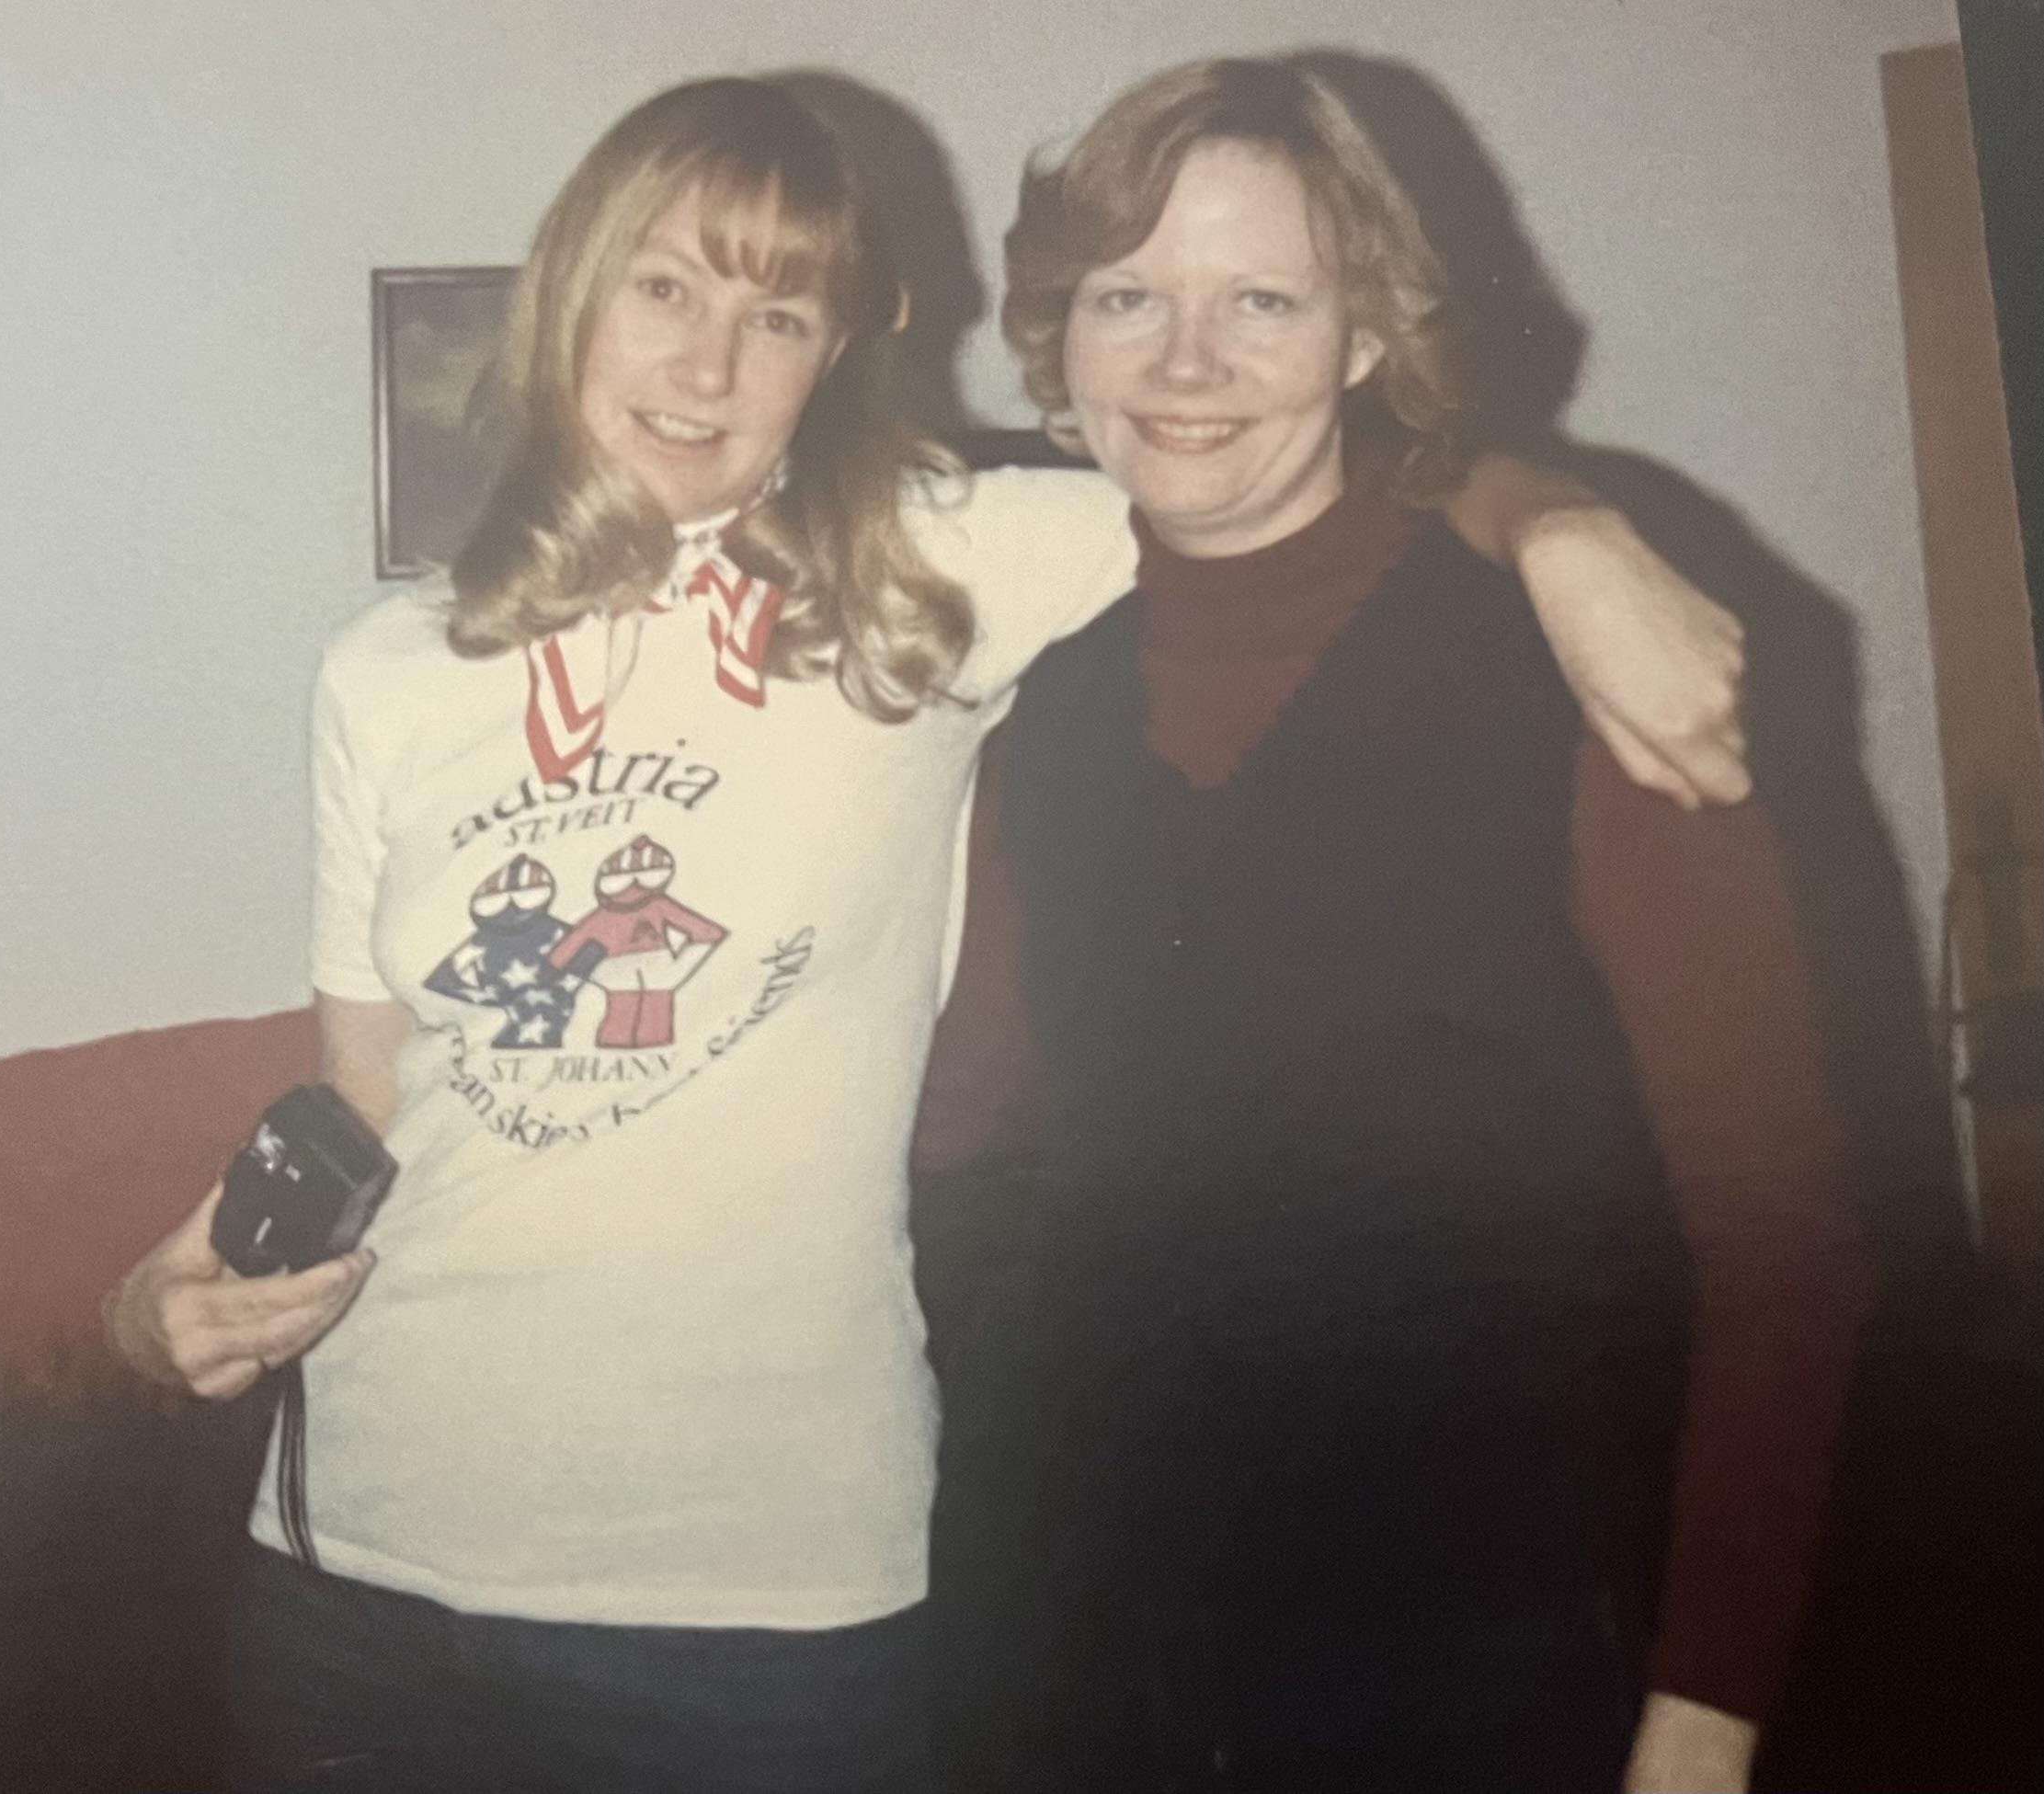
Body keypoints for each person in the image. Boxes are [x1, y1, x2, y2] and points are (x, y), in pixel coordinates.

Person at [99, 74, 1749, 1793]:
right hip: (358, 1581)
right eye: (663, 288)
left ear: (836, 353)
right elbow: (369, 1107)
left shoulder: (928, 569)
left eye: (776, 315)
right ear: (569, 289)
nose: (705, 367)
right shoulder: (385, 669)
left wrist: (1564, 529)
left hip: (773, 1603)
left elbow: (1302, 467)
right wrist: (156, 1306)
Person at [915, 57, 1866, 1794]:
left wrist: (1707, 1708)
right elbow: (955, 1122)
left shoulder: (1583, 667)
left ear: (1365, 337)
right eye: (1129, 297)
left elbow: (1786, 1234)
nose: (1184, 363)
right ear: (1062, 336)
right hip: (1056, 1616)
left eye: (1262, 301)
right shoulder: (1026, 676)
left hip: (1470, 1632)